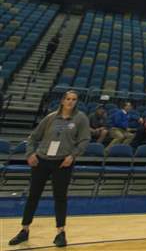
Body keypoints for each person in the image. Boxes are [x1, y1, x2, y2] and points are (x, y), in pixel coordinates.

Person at [8, 89, 90, 248]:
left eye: (74, 99)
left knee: (60, 197)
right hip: (42, 161)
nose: (70, 102)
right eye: (68, 99)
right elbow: (33, 137)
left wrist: (72, 156)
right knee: (33, 196)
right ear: (62, 100)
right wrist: (30, 153)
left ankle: (60, 232)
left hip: (62, 163)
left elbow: (84, 140)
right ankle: (24, 230)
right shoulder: (51, 118)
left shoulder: (80, 119)